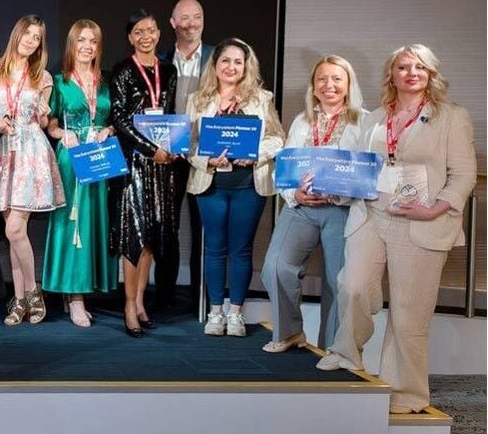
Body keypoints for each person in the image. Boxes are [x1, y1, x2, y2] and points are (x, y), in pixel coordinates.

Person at [316, 44, 476, 414]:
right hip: (372, 216)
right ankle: (346, 351)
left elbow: (464, 174)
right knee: (352, 284)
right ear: (392, 73)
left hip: (421, 223)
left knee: (408, 313)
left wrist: (434, 209)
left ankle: (407, 392)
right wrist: (332, 186)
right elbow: (360, 170)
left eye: (420, 67)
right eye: (403, 67)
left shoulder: (452, 117)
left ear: (431, 74)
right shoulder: (375, 118)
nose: (411, 73)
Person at [261, 55, 365, 352]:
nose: (328, 85)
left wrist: (336, 194)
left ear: (349, 84)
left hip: (343, 209)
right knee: (276, 266)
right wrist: (295, 195)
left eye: (336, 79)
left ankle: (333, 349)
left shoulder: (365, 121)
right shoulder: (302, 121)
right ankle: (290, 332)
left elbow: (368, 175)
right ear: (313, 86)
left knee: (338, 280)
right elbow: (285, 169)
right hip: (302, 207)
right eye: (322, 79)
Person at [185, 38, 285, 337]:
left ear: (246, 67)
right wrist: (207, 159)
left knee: (241, 249)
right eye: (225, 61)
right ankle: (215, 312)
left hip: (248, 185)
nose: (231, 67)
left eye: (238, 62)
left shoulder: (261, 98)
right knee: (214, 248)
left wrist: (255, 153)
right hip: (211, 184)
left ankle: (236, 313)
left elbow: (278, 138)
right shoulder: (197, 100)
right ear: (215, 65)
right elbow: (188, 143)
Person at [0, 15, 65, 326]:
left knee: (15, 229)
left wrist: (42, 114)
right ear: (16, 34)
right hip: (2, 152)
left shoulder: (43, 77)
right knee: (13, 233)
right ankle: (20, 300)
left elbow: (43, 122)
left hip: (31, 153)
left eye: (37, 37)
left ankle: (32, 293)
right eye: (27, 34)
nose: (31, 40)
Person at [108, 9, 179, 338]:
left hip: (162, 166)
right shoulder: (123, 71)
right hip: (134, 162)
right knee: (133, 236)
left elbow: (170, 115)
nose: (146, 36)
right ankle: (127, 305)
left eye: (151, 30)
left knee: (152, 235)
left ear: (159, 34)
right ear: (130, 37)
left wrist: (174, 146)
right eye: (139, 31)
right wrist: (152, 149)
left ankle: (139, 301)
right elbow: (120, 119)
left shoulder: (169, 70)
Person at [43, 20, 116, 328]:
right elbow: (50, 124)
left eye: (93, 41)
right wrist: (63, 134)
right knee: (73, 222)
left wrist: (108, 130)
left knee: (94, 221)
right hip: (71, 158)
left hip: (99, 158)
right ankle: (74, 296)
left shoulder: (106, 82)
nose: (87, 46)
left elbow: (110, 119)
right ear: (72, 44)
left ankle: (84, 288)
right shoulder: (59, 82)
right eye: (82, 40)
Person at [157, 0, 214, 304]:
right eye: (185, 18)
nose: (192, 24)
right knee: (167, 226)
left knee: (202, 228)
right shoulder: (160, 60)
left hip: (205, 155)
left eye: (197, 17)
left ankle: (199, 298)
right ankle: (164, 297)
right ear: (173, 23)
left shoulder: (218, 58)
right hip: (169, 155)